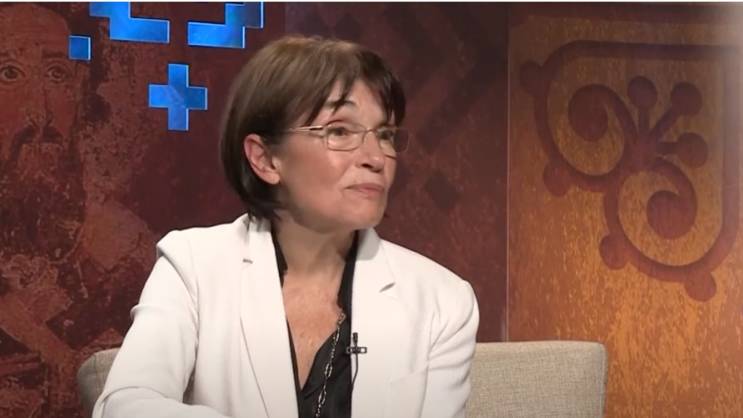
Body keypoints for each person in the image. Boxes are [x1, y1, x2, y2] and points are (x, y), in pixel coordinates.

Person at [93, 34, 479, 418]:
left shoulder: (443, 301)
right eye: (340, 131)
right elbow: (125, 406)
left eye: (385, 135)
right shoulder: (193, 266)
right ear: (265, 159)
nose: (376, 158)